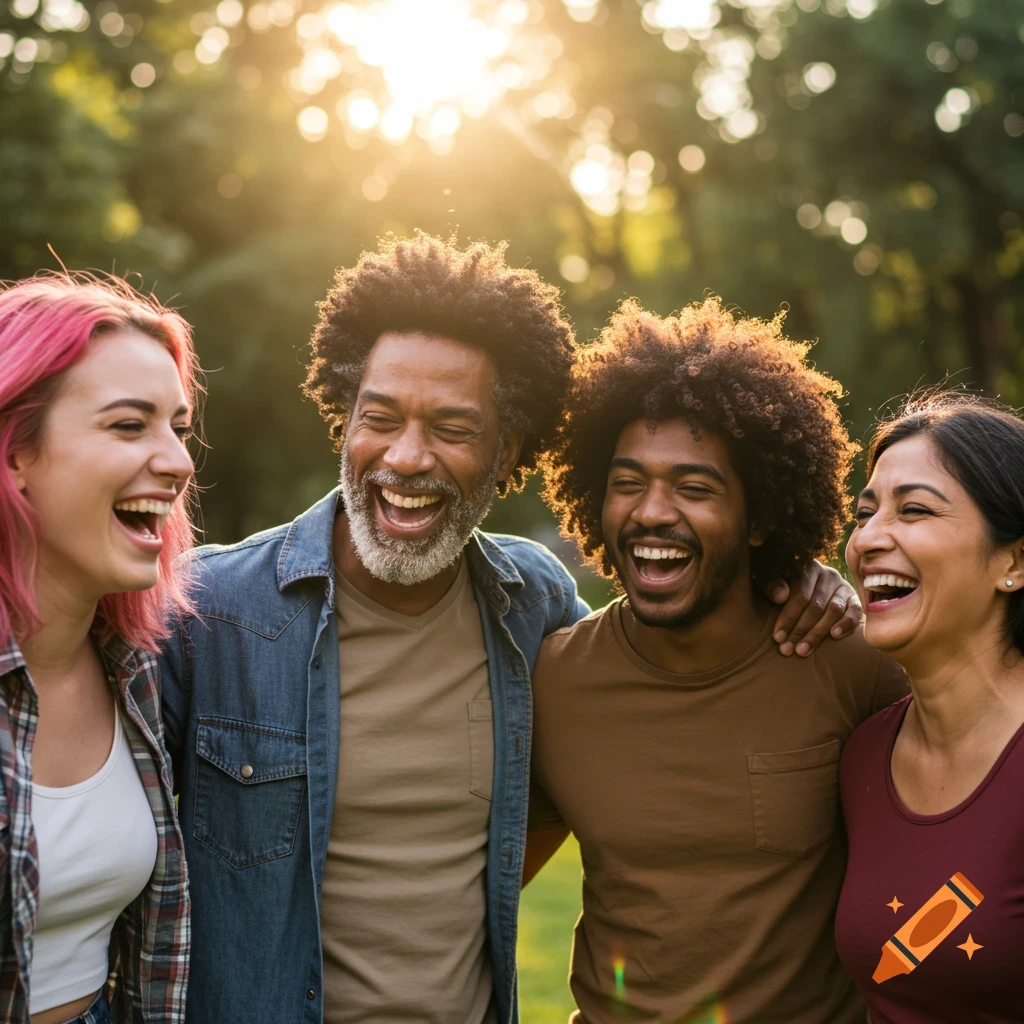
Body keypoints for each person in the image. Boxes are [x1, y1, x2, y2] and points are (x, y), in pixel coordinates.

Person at [159, 234, 860, 1024]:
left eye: (453, 429)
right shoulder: (205, 611)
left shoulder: (534, 608)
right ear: (343, 421)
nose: (405, 457)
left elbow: (654, 682)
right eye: (379, 418)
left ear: (509, 451)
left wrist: (795, 573)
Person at [526, 297, 909, 1024]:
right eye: (627, 481)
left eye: (695, 488)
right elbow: (487, 887)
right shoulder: (555, 681)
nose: (651, 513)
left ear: (762, 515)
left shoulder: (848, 660)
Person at [0, 275, 196, 1024]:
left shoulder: (141, 669)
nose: (177, 461)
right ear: (16, 449)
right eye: (128, 426)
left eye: (177, 426)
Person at [836, 393, 1024, 1023]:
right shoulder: (864, 756)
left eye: (913, 510)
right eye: (865, 514)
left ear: (1014, 561)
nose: (868, 538)